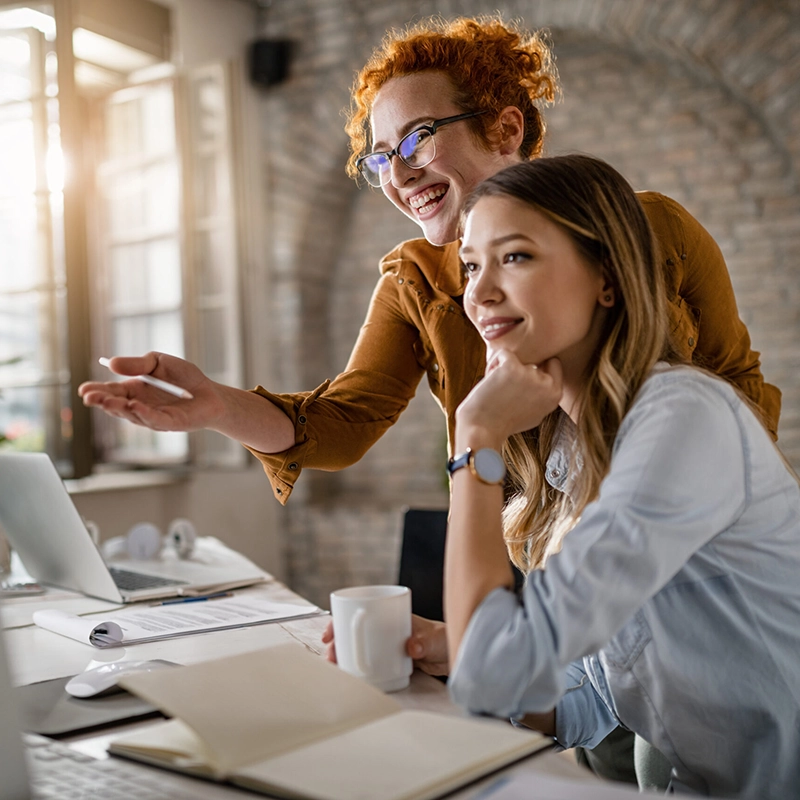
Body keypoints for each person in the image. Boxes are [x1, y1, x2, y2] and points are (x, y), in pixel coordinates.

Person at [77, 16, 781, 784]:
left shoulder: (660, 301)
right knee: (612, 719)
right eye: (379, 155)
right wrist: (215, 406)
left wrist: (657, 495)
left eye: (416, 138)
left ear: (506, 126)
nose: (397, 169)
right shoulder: (418, 280)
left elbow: (731, 395)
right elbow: (340, 421)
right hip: (544, 555)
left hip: (657, 548)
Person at [442, 153, 800, 798]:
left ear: (606, 277)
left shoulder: (682, 417)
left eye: (514, 256)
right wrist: (456, 646)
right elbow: (597, 695)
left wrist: (476, 440)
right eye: (471, 265)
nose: (479, 291)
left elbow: (488, 677)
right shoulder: (581, 451)